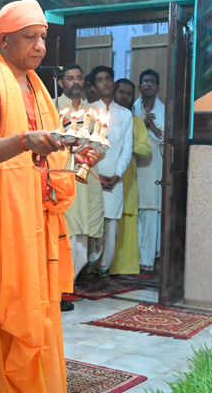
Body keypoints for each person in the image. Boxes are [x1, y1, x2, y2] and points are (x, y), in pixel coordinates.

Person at [0, 0, 99, 392]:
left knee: (37, 304)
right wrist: (22, 141)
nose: (40, 46)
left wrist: (76, 153)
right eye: (29, 37)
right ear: (2, 40)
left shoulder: (36, 86)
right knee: (2, 303)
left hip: (35, 208)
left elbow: (43, 154)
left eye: (43, 37)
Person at [56, 64, 103, 308]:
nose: (75, 82)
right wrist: (71, 148)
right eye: (70, 78)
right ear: (61, 82)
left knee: (83, 241)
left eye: (79, 78)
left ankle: (67, 283)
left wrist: (93, 154)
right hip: (63, 176)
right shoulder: (53, 107)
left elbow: (102, 145)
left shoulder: (93, 112)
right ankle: (58, 289)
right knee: (66, 233)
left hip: (86, 179)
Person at [87, 65, 133, 278]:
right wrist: (95, 173)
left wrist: (117, 175)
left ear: (113, 82)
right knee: (92, 224)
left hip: (114, 178)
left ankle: (103, 270)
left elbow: (127, 149)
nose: (105, 82)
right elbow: (84, 146)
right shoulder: (88, 111)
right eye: (100, 80)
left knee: (111, 226)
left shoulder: (125, 115)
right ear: (94, 86)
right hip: (92, 176)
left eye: (108, 78)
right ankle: (87, 268)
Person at [109, 78, 151, 277]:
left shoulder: (137, 122)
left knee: (126, 227)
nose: (124, 97)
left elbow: (145, 149)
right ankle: (100, 269)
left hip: (127, 182)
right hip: (104, 180)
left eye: (128, 94)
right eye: (121, 92)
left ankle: (124, 270)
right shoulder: (104, 116)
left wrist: (128, 142)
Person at [132, 69, 164, 274]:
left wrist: (149, 124)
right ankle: (134, 261)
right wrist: (141, 122)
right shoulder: (132, 108)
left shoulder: (164, 109)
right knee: (136, 212)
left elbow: (165, 137)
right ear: (140, 86)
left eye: (152, 82)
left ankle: (148, 261)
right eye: (144, 81)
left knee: (151, 210)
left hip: (154, 166)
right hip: (135, 167)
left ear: (158, 87)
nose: (148, 85)